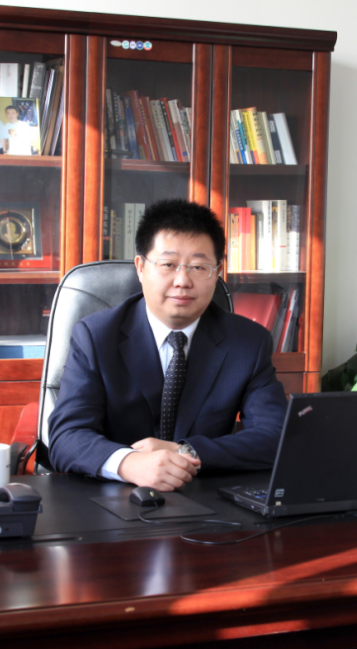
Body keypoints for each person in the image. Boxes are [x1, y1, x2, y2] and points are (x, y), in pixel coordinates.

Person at [47, 199, 287, 491]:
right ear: (140, 267)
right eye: (168, 265)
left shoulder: (248, 343)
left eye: (198, 267)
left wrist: (186, 452)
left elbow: (276, 436)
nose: (182, 280)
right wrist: (129, 462)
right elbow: (66, 438)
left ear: (217, 272)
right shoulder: (96, 336)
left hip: (206, 499)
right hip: (113, 496)